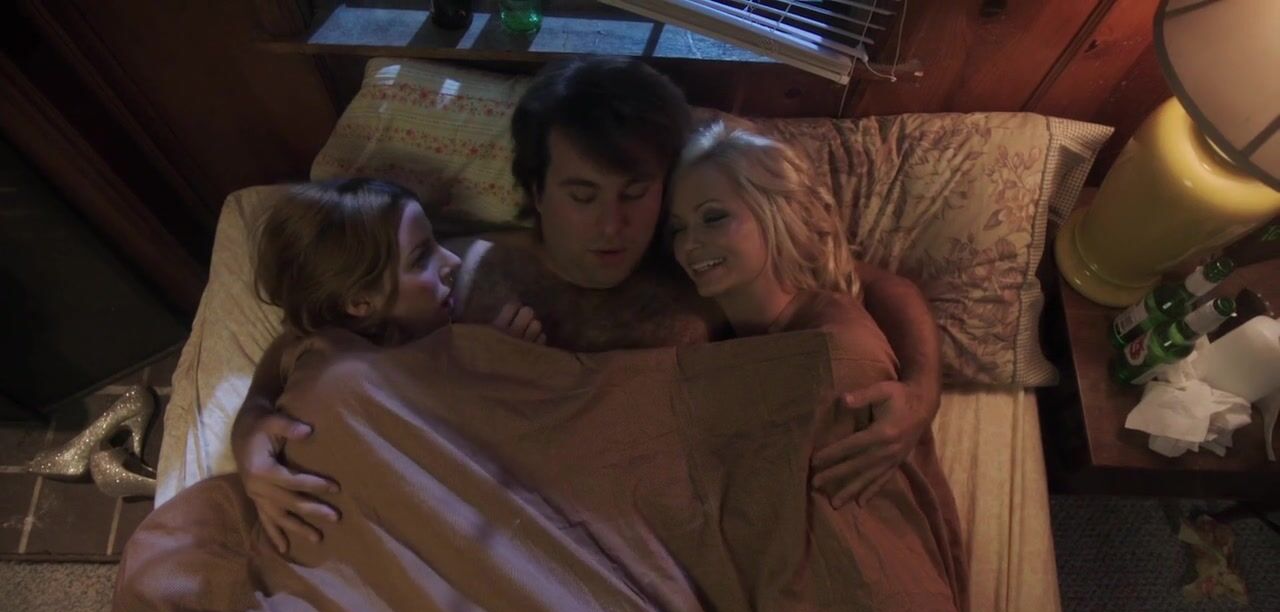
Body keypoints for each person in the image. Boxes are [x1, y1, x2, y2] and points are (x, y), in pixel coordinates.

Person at [234, 56, 943, 551]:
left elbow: (876, 286)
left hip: (662, 535)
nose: (612, 225)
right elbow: (316, 332)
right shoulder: (470, 261)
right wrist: (254, 420)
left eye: (635, 194)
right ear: (538, 193)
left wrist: (920, 390)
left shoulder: (693, 258)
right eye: (582, 195)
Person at [666, 118, 978, 612]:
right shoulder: (715, 326)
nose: (689, 245)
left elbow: (886, 290)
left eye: (713, 217)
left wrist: (923, 390)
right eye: (677, 229)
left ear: (774, 212)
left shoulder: (834, 337)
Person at [241, 178, 548, 551]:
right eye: (421, 258)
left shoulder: (424, 334)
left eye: (437, 242)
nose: (452, 262)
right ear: (360, 301)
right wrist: (249, 426)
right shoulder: (326, 355)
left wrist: (487, 357)